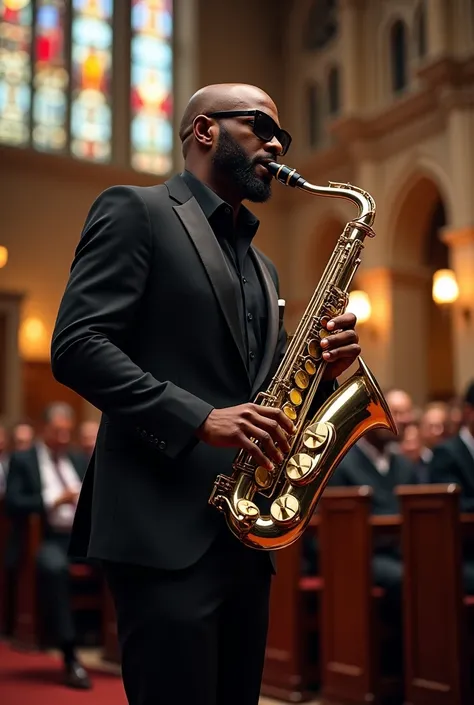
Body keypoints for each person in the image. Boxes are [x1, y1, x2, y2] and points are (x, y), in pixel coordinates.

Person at [50, 83, 361, 705]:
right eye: (260, 127)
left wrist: (324, 372)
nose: (276, 143)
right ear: (204, 131)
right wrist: (197, 419)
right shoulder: (135, 210)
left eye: (283, 136)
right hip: (161, 528)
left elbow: (266, 390)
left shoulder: (263, 265)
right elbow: (77, 344)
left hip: (245, 533)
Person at [5, 403, 89, 688]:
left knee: (120, 559)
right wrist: (54, 500)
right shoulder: (25, 459)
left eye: (68, 432)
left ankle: (113, 642)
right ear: (44, 430)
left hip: (81, 538)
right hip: (45, 538)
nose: (64, 438)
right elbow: (13, 503)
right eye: (58, 432)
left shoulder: (77, 459)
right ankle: (69, 654)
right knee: (54, 567)